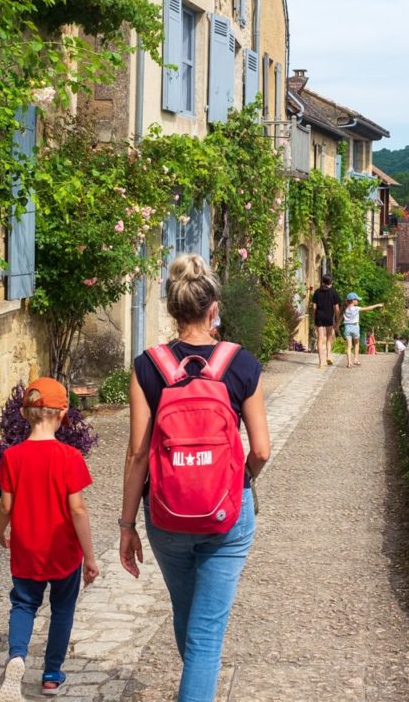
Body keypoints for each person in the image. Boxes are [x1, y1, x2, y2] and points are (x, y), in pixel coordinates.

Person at [119, 254, 271, 702]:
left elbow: (137, 453)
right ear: (213, 309)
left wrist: (127, 526)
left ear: (172, 308)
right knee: (206, 636)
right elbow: (261, 449)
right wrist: (239, 480)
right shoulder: (241, 365)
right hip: (227, 515)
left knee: (188, 619)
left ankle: (197, 682)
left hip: (167, 516)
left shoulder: (148, 366)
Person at [0, 377, 100, 700]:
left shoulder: (12, 457)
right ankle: (52, 675)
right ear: (62, 413)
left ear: (25, 413)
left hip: (26, 549)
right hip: (63, 552)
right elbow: (78, 510)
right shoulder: (69, 457)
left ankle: (16, 657)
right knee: (62, 609)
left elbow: (5, 505)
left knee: (24, 604)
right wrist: (90, 557)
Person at [342, 292, 383, 367]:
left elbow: (340, 318)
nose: (358, 301)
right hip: (355, 327)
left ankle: (349, 363)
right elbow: (368, 308)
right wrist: (377, 305)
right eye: (357, 299)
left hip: (347, 327)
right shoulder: (356, 308)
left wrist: (336, 326)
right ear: (353, 300)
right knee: (357, 344)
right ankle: (355, 360)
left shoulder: (345, 309)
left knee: (348, 346)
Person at [310, 275, 341, 368]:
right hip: (329, 317)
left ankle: (320, 362)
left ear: (322, 282)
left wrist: (314, 318)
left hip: (319, 317)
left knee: (320, 338)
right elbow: (336, 308)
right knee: (328, 338)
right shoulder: (333, 292)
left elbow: (314, 307)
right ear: (331, 283)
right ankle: (328, 356)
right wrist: (337, 319)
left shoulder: (317, 292)